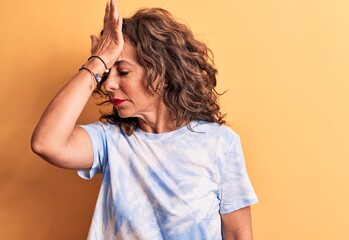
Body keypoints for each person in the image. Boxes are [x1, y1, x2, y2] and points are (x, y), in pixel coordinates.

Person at [31, 0, 258, 239]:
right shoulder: (110, 140)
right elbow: (46, 143)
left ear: (162, 74)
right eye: (107, 74)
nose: (108, 84)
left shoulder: (220, 144)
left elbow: (237, 235)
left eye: (123, 71)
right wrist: (98, 62)